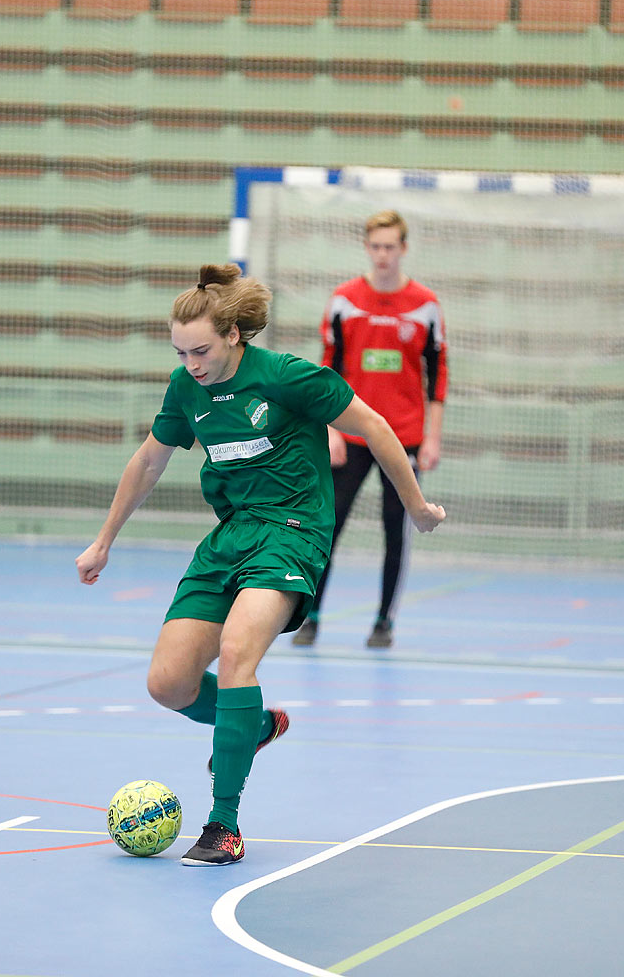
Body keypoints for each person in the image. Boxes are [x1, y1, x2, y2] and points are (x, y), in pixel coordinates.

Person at [76, 263, 445, 866]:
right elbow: (148, 462)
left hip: (293, 532)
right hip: (230, 537)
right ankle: (254, 724)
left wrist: (417, 507)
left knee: (240, 652)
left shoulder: (287, 377)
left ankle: (223, 825)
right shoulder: (185, 388)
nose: (191, 363)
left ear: (233, 337)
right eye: (180, 352)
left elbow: (376, 428)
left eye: (200, 351)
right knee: (168, 684)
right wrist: (103, 541)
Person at [293, 210, 448, 650]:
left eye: (390, 247)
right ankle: (312, 618)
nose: (383, 255)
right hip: (352, 432)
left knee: (395, 526)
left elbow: (437, 375)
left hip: (405, 437)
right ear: (367, 247)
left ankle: (383, 622)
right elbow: (326, 370)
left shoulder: (425, 305)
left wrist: (433, 437)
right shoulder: (344, 300)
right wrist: (331, 431)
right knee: (328, 525)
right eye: (376, 246)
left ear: (403, 249)